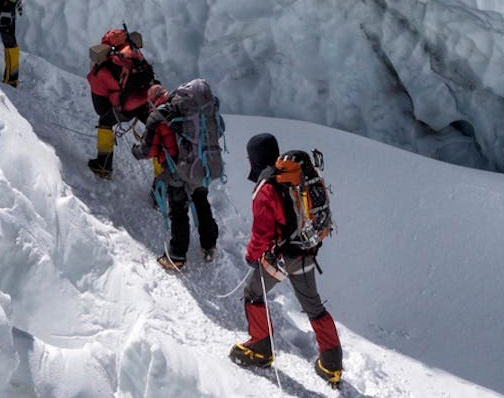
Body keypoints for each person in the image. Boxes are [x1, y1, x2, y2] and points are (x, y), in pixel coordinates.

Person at [231, 132, 344, 387]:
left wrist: (251, 256)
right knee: (314, 306)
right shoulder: (293, 177)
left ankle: (260, 349)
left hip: (281, 256)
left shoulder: (265, 187)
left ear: (254, 159)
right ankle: (332, 364)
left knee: (253, 294)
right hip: (305, 251)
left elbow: (262, 233)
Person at [142, 79, 224, 272]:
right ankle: (209, 244)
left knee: (178, 210)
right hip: (199, 164)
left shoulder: (161, 116)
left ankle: (177, 256)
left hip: (179, 169)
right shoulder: (188, 108)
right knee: (201, 201)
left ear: (153, 102)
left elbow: (149, 151)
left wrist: (137, 151)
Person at [84, 26, 157, 179]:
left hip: (127, 106)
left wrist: (115, 108)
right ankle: (163, 186)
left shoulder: (108, 66)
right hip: (144, 100)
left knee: (105, 122)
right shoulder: (134, 53)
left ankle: (103, 166)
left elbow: (102, 104)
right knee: (158, 132)